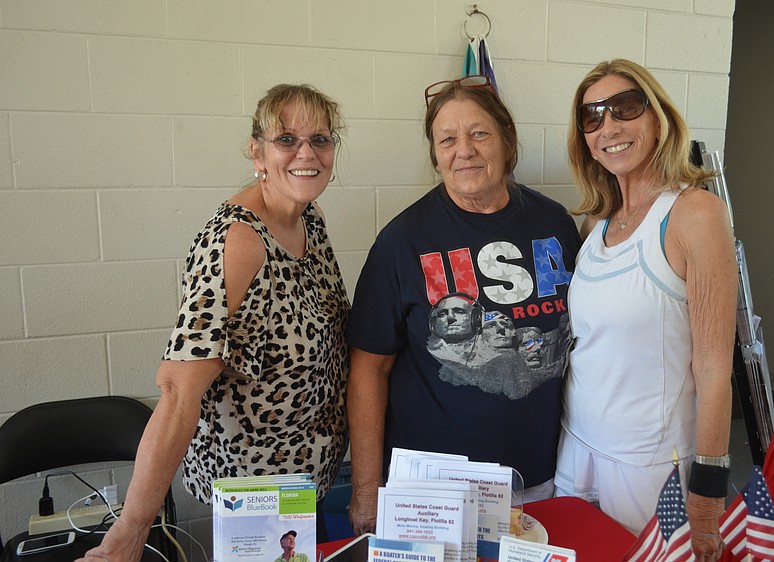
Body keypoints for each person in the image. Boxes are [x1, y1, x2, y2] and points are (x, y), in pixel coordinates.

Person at [78, 84, 350, 561]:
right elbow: (178, 391)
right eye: (286, 139)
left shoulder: (311, 218)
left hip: (312, 476)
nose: (306, 153)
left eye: (320, 139)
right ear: (257, 152)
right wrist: (131, 528)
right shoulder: (237, 241)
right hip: (257, 493)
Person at [346, 75, 582, 534]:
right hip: (434, 488)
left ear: (507, 141)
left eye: (479, 133)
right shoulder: (402, 241)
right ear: (435, 155)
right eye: (448, 139)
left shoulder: (554, 223)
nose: (465, 150)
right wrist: (367, 491)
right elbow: (368, 370)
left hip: (540, 476)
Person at [554, 59, 737, 560]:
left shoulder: (695, 214)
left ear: (658, 118)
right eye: (592, 116)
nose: (609, 126)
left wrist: (707, 493)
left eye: (625, 107)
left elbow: (714, 367)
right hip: (577, 448)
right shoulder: (596, 222)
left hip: (648, 466)